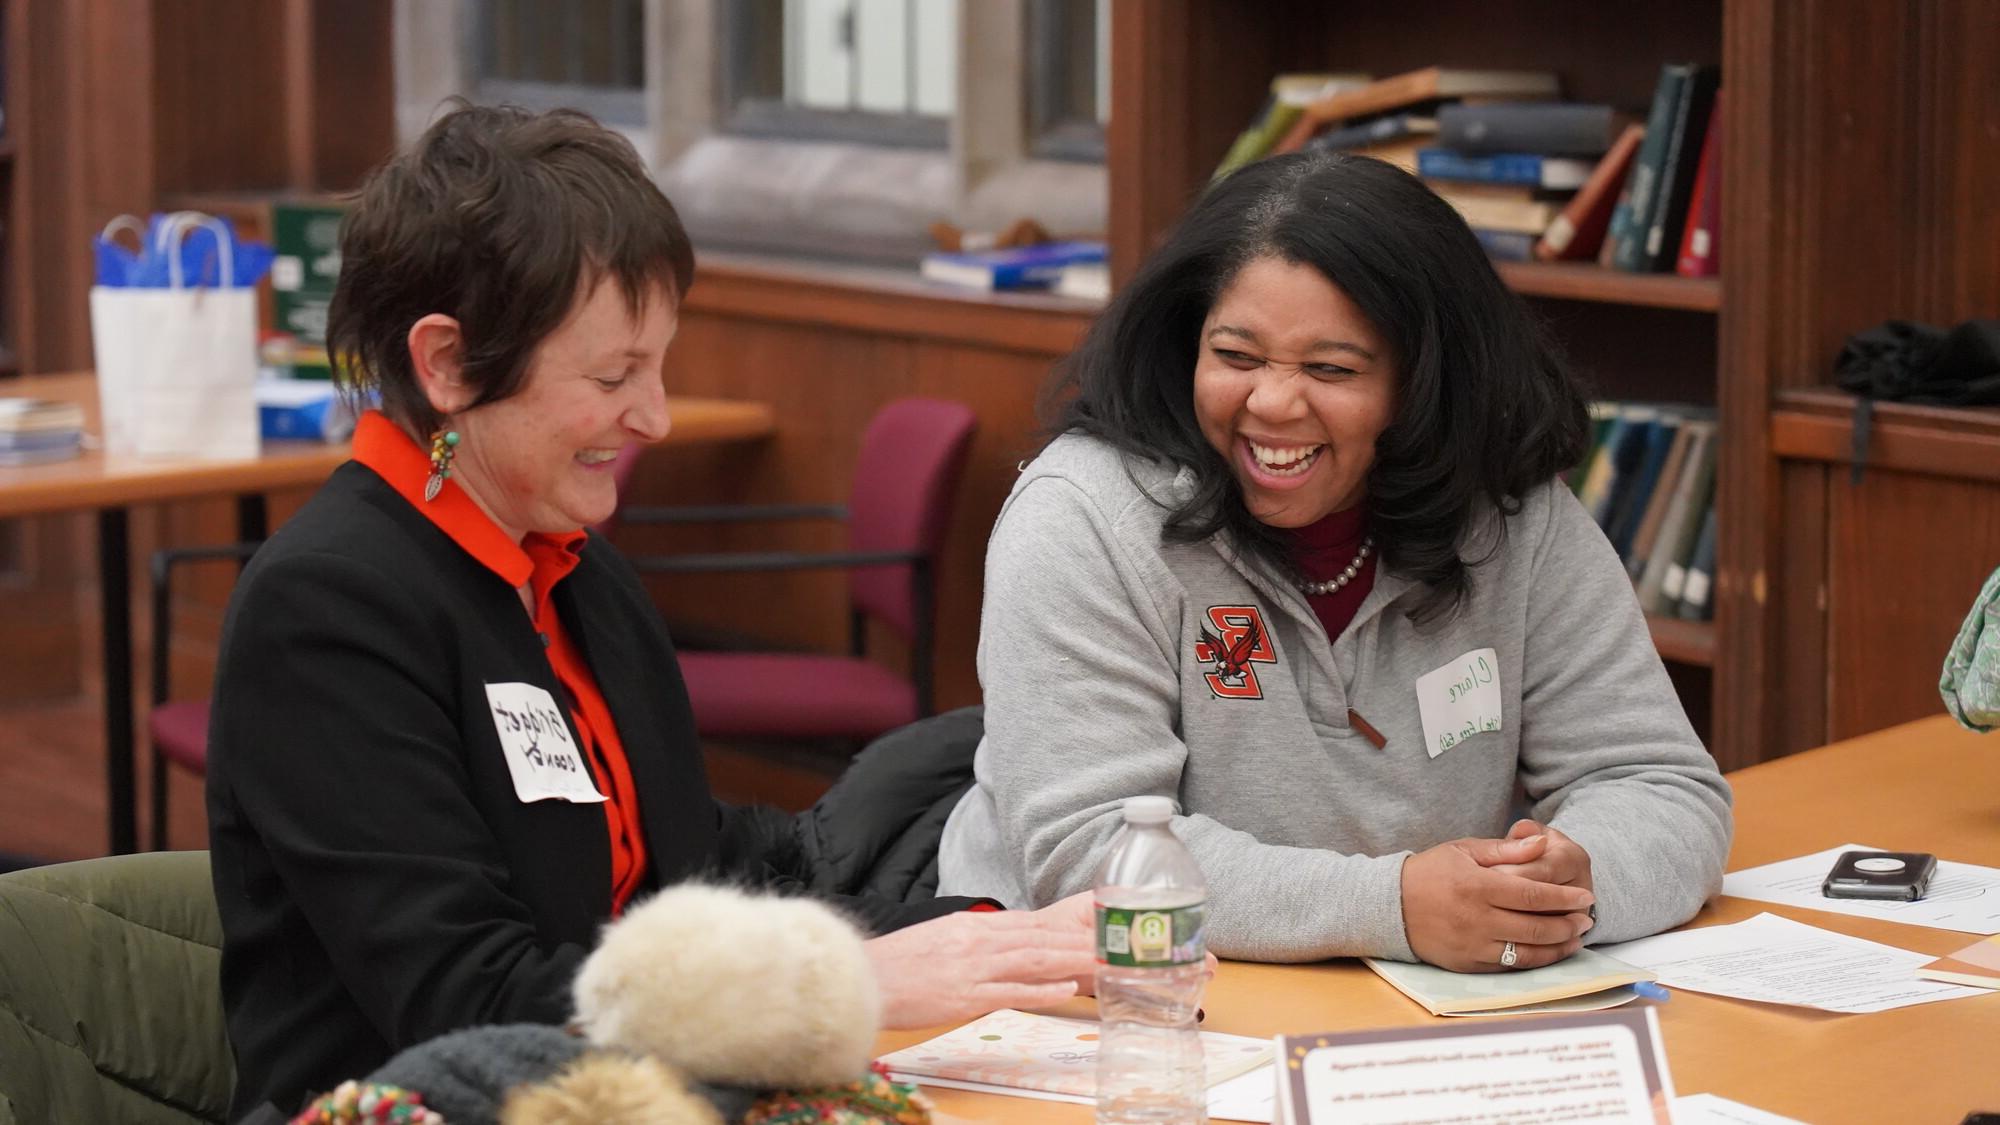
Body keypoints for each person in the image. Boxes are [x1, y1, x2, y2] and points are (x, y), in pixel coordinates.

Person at [205, 104, 1096, 1121]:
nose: (655, 418)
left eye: (658, 367)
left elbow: (696, 869)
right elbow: (462, 1000)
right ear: (446, 364)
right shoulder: (328, 610)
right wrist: (847, 982)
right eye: (613, 375)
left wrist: (985, 932)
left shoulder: (575, 570)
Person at [935, 151, 1733, 973]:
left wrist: (1566, 887)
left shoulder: (1510, 515)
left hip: (1411, 1007)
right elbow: (1093, 852)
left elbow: (1661, 785)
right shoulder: (1085, 514)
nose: (1273, 403)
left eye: (1331, 369)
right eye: (1237, 357)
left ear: (1424, 383)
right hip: (1110, 1003)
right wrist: (1393, 907)